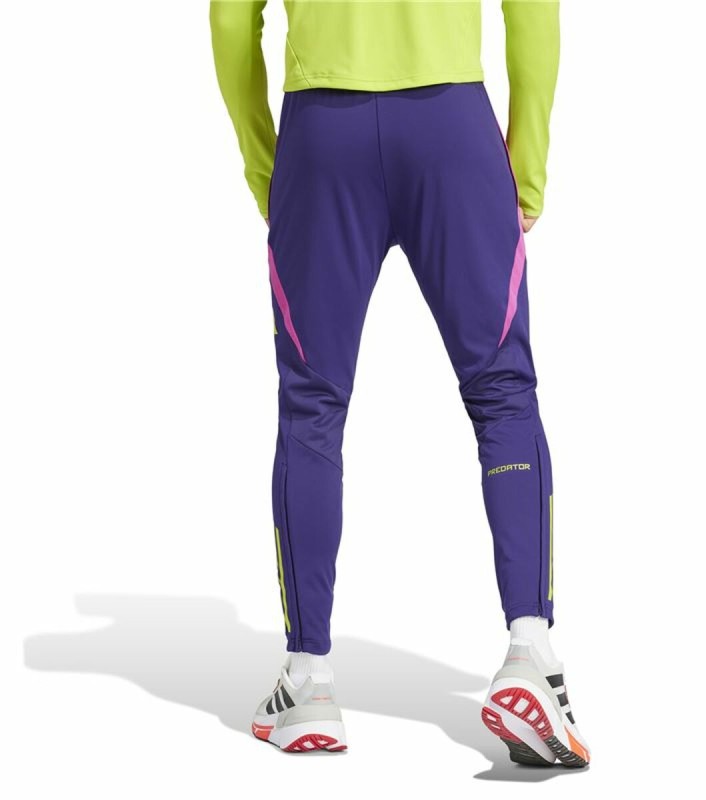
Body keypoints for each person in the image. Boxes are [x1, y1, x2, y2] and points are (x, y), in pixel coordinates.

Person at [210, 0, 590, 766]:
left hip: (322, 135)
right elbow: (533, 13)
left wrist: (266, 165)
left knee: (312, 405)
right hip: (454, 130)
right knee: (502, 392)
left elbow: (228, 22)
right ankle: (531, 650)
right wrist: (526, 168)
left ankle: (308, 681)